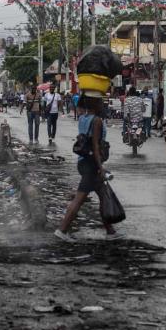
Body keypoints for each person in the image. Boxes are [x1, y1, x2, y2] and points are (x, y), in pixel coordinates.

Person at [54, 93, 122, 242]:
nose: (101, 104)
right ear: (94, 105)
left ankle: (110, 230)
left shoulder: (83, 119)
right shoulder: (96, 121)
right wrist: (100, 167)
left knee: (104, 195)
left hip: (83, 161)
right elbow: (96, 147)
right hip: (91, 164)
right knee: (79, 199)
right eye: (99, 102)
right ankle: (62, 230)